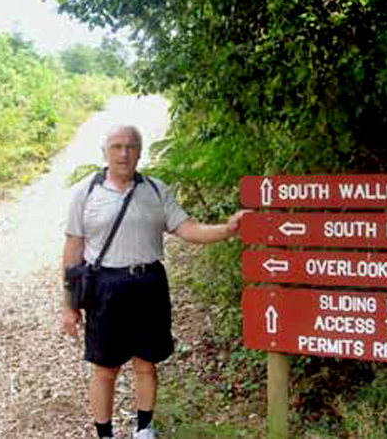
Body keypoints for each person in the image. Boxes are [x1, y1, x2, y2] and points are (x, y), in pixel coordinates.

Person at [61, 125, 247, 439]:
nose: (124, 153)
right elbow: (72, 251)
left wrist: (227, 229)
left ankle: (144, 429)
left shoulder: (156, 190)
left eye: (131, 146)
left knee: (146, 362)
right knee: (105, 369)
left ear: (139, 151)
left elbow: (187, 229)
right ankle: (104, 434)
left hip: (148, 283)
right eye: (117, 146)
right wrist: (68, 306)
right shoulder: (85, 193)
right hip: (104, 287)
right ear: (104, 151)